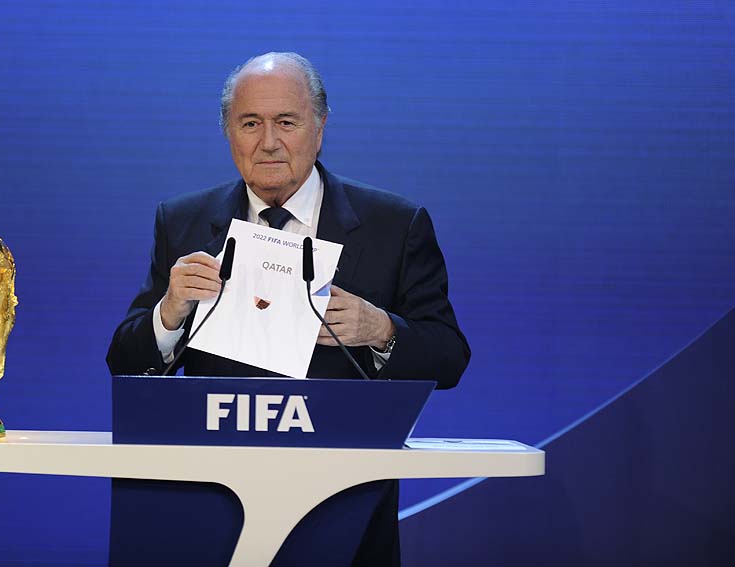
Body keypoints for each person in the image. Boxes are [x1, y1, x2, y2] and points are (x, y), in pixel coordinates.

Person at [107, 51, 471, 566]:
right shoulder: (183, 220)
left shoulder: (395, 224)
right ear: (229, 133)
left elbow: (450, 357)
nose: (269, 142)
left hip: (343, 505)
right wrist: (169, 313)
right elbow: (125, 363)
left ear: (319, 127)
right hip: (212, 503)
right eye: (250, 123)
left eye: (287, 122)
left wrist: (382, 329)